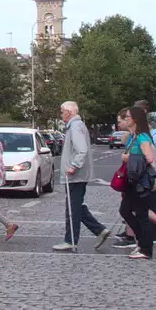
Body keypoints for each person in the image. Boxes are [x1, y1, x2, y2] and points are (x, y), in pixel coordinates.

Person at [53, 101, 113, 252]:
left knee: (72, 208)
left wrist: (73, 165)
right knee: (75, 206)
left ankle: (70, 240)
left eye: (62, 112)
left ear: (69, 112)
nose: (61, 115)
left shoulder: (75, 127)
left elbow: (82, 150)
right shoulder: (75, 126)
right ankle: (99, 230)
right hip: (77, 175)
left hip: (76, 175)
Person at [114, 103, 156, 260]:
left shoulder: (143, 137)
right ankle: (142, 242)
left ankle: (146, 248)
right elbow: (124, 140)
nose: (125, 119)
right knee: (125, 211)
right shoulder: (133, 136)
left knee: (141, 215)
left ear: (135, 119)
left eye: (128, 117)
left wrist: (129, 159)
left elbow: (149, 159)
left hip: (140, 182)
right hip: (132, 180)